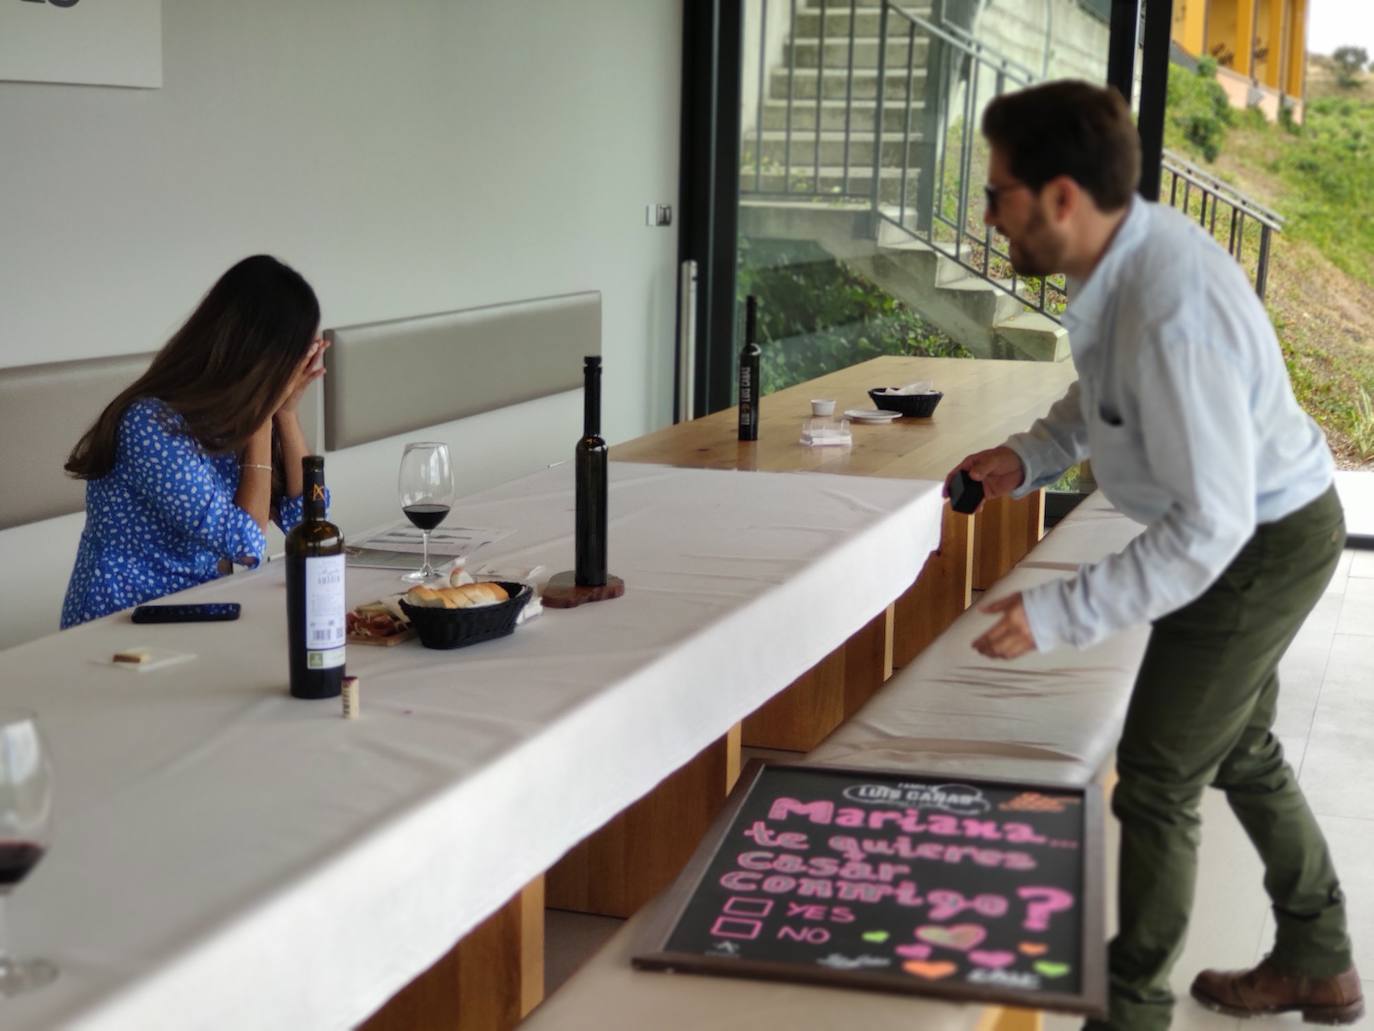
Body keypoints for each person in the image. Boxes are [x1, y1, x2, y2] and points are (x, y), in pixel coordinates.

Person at [946, 81, 1361, 1029]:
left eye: (997, 191)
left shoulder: (1171, 311)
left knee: (1162, 776)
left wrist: (1055, 611)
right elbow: (1103, 398)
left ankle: (1129, 1010)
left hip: (1260, 541)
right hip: (1254, 527)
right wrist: (1027, 456)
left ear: (1059, 198)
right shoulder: (1118, 266)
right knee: (1241, 747)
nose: (987, 211)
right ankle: (1320, 956)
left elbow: (1209, 528)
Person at [61, 255, 330, 628]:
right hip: (120, 628)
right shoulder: (150, 424)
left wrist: (286, 414)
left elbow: (308, 522)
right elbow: (245, 544)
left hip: (197, 611)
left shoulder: (230, 415)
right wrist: (264, 414)